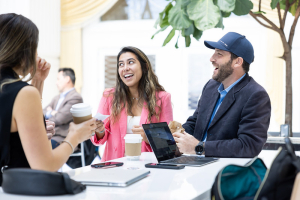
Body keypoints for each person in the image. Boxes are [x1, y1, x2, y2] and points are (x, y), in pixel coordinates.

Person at [0, 13, 99, 185]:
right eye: (35, 47)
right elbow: (44, 166)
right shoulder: (23, 93)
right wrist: (74, 136)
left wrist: (37, 81)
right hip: (18, 188)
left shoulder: (12, 89)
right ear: (25, 49)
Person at [173, 32, 271, 158]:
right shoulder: (211, 86)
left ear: (237, 62)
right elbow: (195, 123)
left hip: (224, 171)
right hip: (194, 164)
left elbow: (249, 146)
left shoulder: (256, 95)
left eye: (219, 54)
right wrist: (170, 137)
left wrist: (199, 147)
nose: (212, 58)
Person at [91, 46, 173, 161]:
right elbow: (100, 139)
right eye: (121, 64)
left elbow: (168, 145)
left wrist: (148, 137)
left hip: (148, 167)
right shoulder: (109, 96)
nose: (125, 68)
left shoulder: (162, 98)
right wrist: (99, 130)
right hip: (115, 167)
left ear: (145, 67)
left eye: (130, 62)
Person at [43, 68, 83, 149]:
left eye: (58, 79)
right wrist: (51, 112)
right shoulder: (56, 98)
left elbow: (59, 118)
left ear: (67, 79)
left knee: (40, 148)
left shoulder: (76, 98)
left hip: (63, 138)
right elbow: (42, 112)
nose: (56, 83)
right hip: (50, 135)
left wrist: (51, 113)